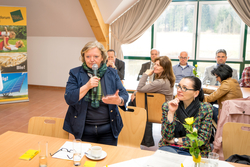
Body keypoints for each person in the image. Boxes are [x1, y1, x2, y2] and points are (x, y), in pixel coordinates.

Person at [63, 41, 129, 146]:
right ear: (83, 57)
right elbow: (69, 98)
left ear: (102, 57)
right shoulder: (75, 73)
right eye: (88, 56)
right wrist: (87, 86)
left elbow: (124, 95)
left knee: (108, 159)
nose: (92, 59)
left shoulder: (112, 73)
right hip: (84, 129)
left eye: (96, 56)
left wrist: (119, 100)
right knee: (86, 160)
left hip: (109, 128)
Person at [159, 76, 213, 158]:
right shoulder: (168, 106)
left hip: (195, 151)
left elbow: (202, 140)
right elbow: (166, 137)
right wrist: (171, 112)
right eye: (179, 86)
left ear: (196, 93)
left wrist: (175, 140)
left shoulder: (205, 109)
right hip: (170, 148)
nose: (179, 90)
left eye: (184, 88)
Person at [129, 56, 175, 147]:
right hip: (160, 109)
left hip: (161, 112)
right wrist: (136, 92)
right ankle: (145, 139)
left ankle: (132, 132)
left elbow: (140, 88)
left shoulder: (160, 82)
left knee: (134, 104)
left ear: (164, 68)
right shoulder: (167, 80)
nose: (155, 67)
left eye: (158, 65)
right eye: (155, 64)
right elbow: (146, 89)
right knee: (140, 102)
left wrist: (145, 74)